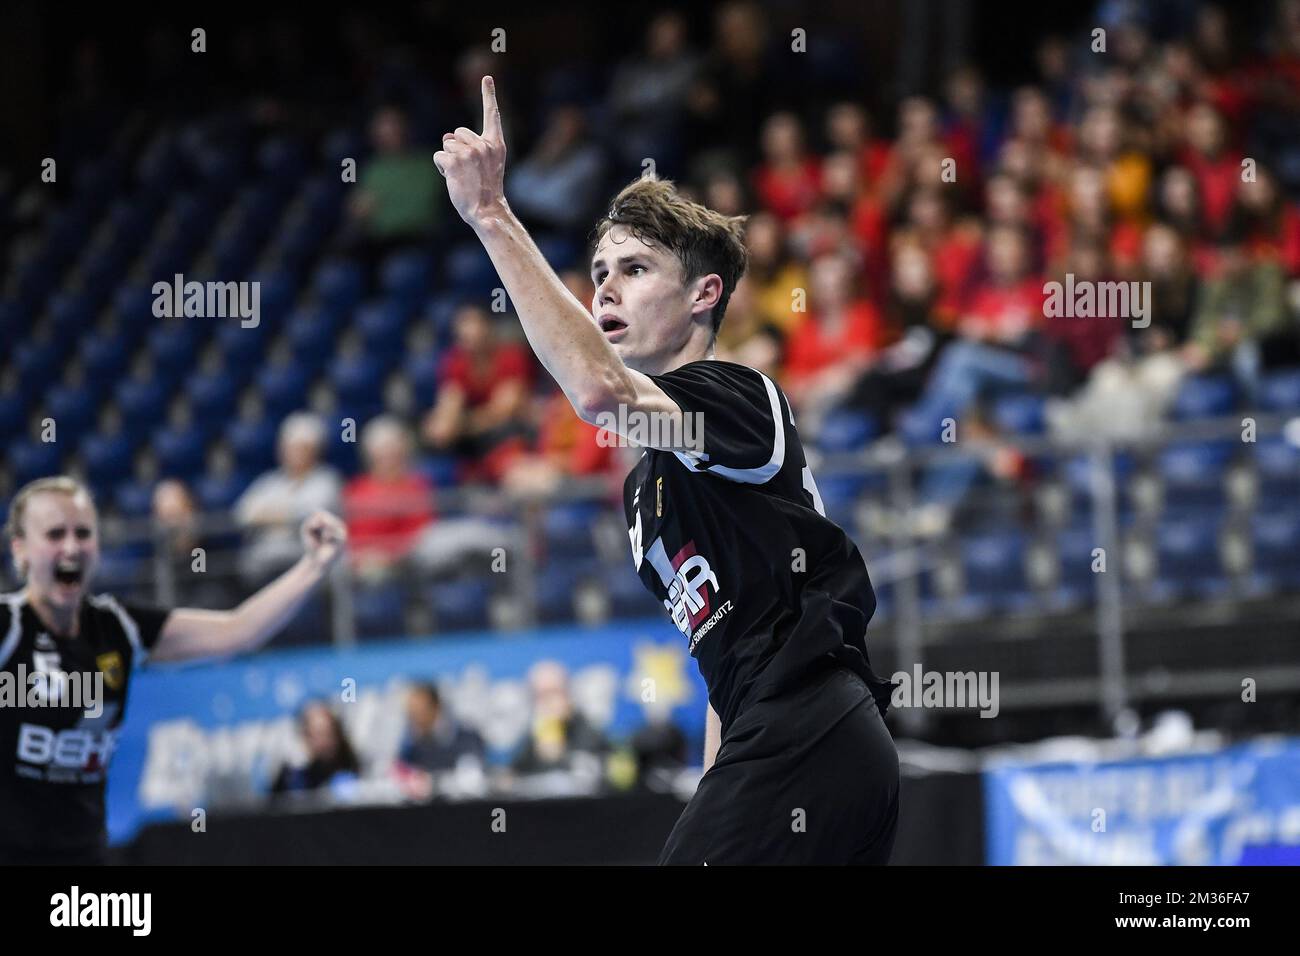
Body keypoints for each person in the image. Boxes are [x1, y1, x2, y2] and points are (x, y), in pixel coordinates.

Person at [434, 77, 898, 864]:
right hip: (783, 737)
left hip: (810, 729)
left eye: (637, 268)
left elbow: (598, 390)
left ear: (702, 294)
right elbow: (723, 662)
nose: (606, 285)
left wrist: (492, 214)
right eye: (600, 269)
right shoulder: (645, 486)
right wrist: (715, 794)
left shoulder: (737, 396)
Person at [0, 475, 347, 864]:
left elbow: (237, 631)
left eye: (83, 533)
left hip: (85, 860)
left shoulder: (119, 628)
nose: (71, 547)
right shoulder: (9, 629)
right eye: (54, 534)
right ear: (21, 550)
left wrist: (314, 566)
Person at [270, 700, 362, 796]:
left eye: (329, 733)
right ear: (305, 737)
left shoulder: (353, 767)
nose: (325, 741)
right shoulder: (292, 778)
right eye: (318, 734)